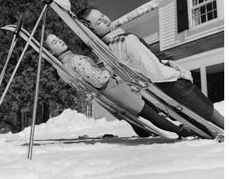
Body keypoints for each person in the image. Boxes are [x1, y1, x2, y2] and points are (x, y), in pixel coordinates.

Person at [76, 8, 224, 129]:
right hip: (171, 85)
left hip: (153, 93)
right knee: (209, 113)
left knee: (197, 120)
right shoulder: (125, 39)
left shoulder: (106, 53)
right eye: (99, 22)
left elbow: (138, 66)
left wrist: (165, 62)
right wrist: (179, 73)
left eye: (103, 15)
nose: (106, 19)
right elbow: (153, 70)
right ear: (92, 31)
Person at [44, 33, 194, 138]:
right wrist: (109, 68)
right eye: (54, 42)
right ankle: (180, 131)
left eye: (57, 38)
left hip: (104, 96)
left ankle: (145, 133)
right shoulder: (76, 60)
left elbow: (81, 85)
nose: (60, 40)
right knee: (148, 112)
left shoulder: (61, 69)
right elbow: (98, 80)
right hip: (112, 89)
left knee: (132, 116)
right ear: (51, 51)